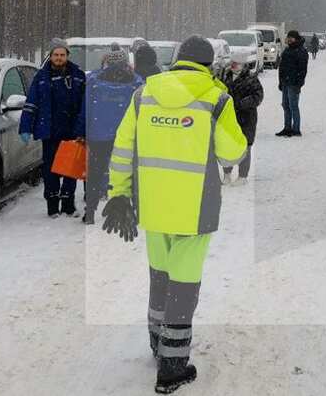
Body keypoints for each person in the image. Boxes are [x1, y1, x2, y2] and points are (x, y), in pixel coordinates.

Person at [103, 35, 248, 394]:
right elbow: (233, 154)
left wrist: (119, 193)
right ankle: (171, 367)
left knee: (161, 278)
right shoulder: (216, 99)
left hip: (152, 206)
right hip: (195, 207)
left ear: (178, 59)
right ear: (208, 64)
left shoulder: (144, 95)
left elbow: (122, 147)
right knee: (184, 286)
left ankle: (157, 344)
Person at [20, 38, 87, 218]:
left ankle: (68, 203)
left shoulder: (79, 75)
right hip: (49, 131)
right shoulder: (41, 77)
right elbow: (31, 103)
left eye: (62, 55)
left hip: (72, 132)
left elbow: (85, 106)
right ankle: (52, 205)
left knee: (70, 169)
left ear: (67, 55)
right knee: (50, 170)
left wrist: (82, 129)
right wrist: (25, 126)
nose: (59, 58)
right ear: (50, 56)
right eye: (55, 55)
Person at [81, 44, 144, 224]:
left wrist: (83, 130)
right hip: (126, 137)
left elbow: (85, 108)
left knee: (95, 173)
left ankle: (90, 211)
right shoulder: (136, 84)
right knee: (130, 172)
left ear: (106, 62)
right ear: (126, 63)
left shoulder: (93, 81)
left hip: (98, 135)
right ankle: (134, 209)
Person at [218, 58, 263, 183]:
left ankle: (243, 176)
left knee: (245, 146)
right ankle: (227, 174)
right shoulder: (225, 76)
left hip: (246, 118)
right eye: (232, 62)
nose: (233, 65)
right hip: (228, 117)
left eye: (236, 63)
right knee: (226, 145)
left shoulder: (251, 78)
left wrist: (242, 103)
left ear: (243, 65)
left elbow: (258, 96)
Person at [276, 30, 308, 137]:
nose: (289, 39)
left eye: (291, 37)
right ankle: (287, 127)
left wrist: (299, 84)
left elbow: (303, 70)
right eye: (288, 37)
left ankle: (296, 129)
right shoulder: (287, 50)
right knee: (285, 105)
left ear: (296, 38)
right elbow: (282, 67)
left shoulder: (301, 51)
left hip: (293, 83)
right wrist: (280, 81)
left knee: (293, 106)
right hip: (285, 82)